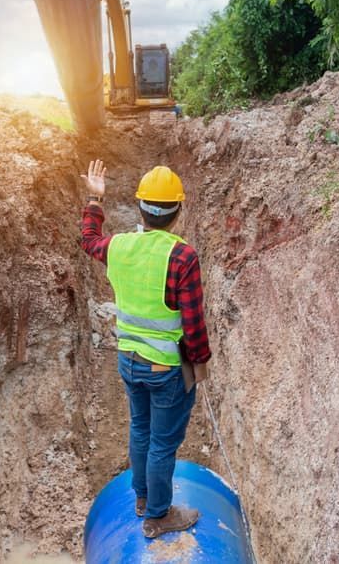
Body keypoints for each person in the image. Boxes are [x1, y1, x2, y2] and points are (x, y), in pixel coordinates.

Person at [80, 159, 211, 539]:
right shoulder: (182, 256)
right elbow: (193, 322)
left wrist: (94, 199)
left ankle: (140, 499)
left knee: (140, 429)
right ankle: (157, 515)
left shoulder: (120, 247)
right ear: (178, 211)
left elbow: (89, 240)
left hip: (128, 361)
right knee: (162, 443)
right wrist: (200, 361)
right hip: (165, 369)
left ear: (141, 208)